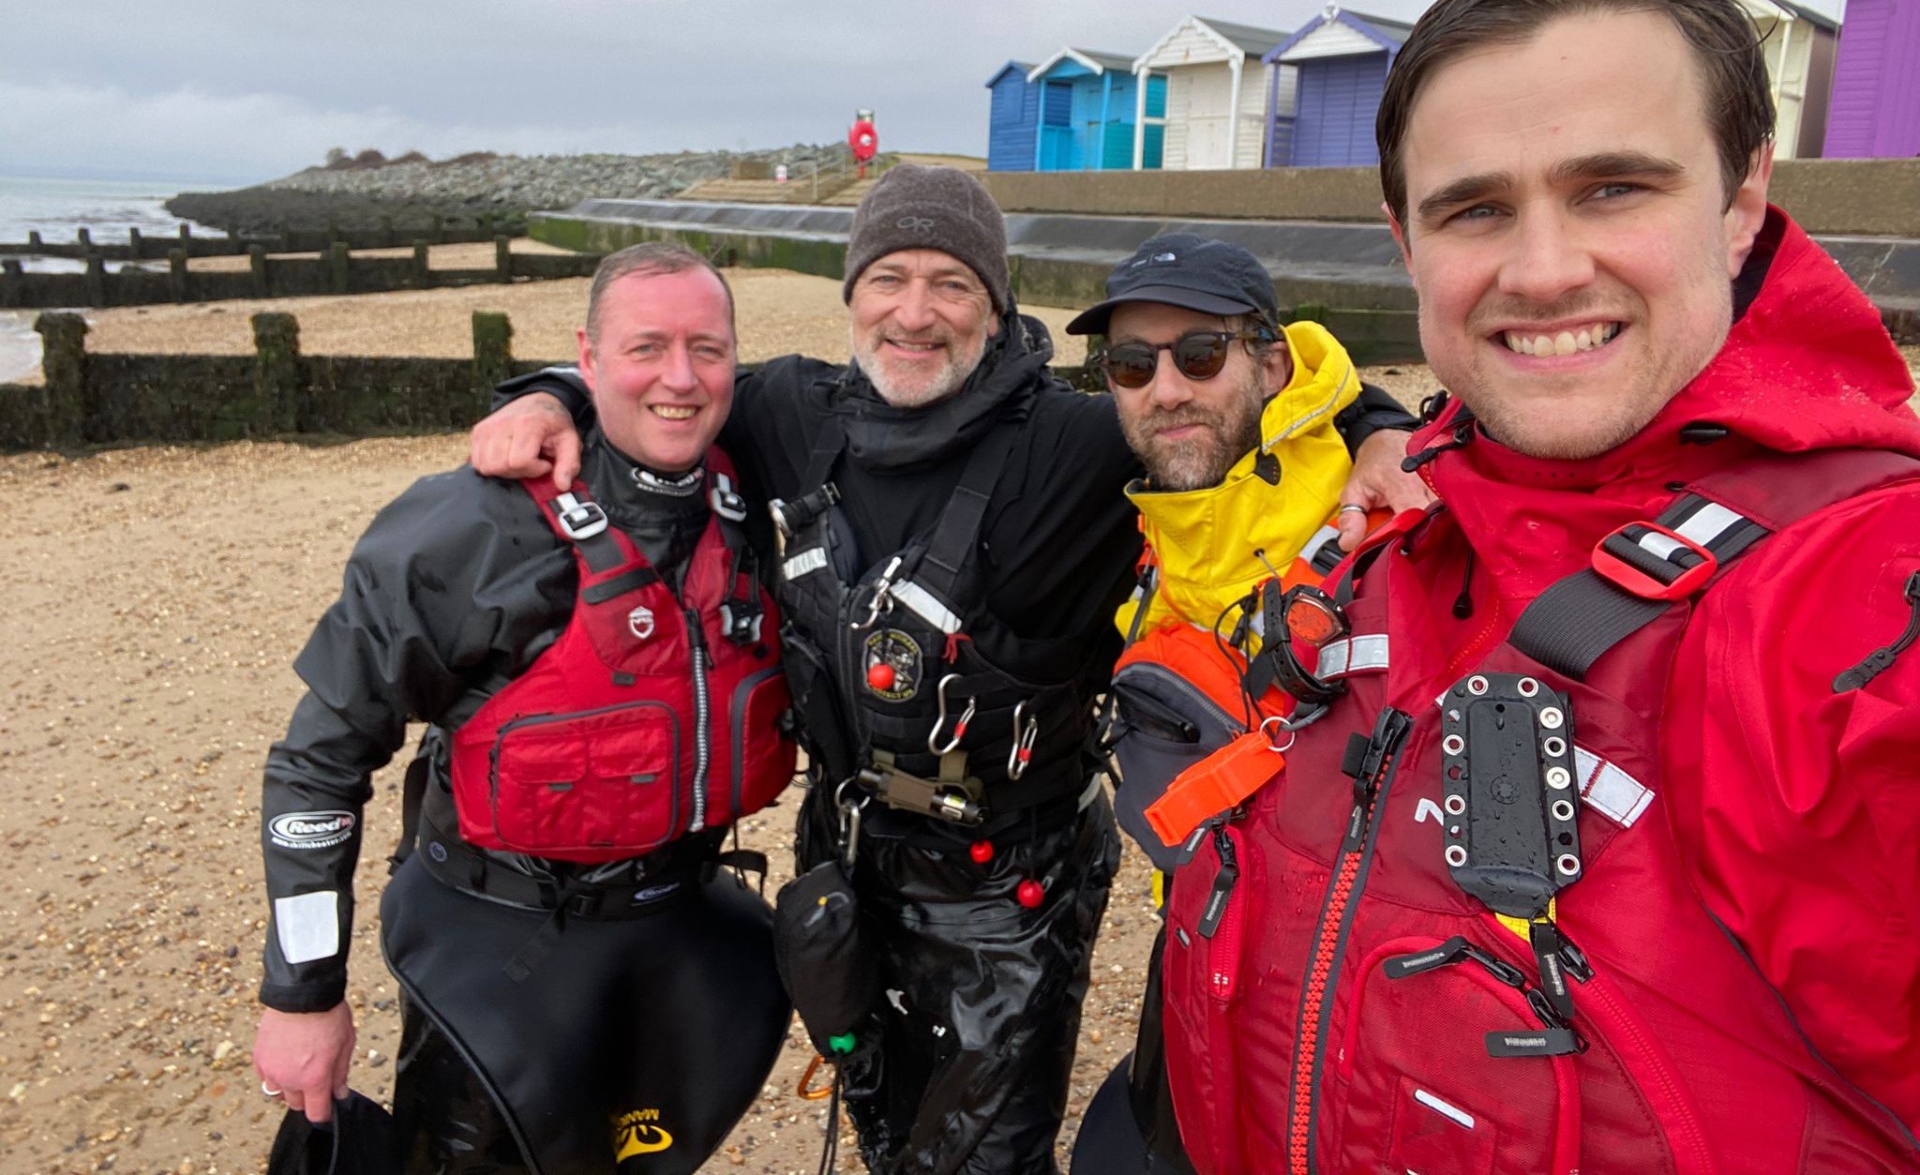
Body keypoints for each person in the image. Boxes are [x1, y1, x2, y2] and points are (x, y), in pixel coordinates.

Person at [1158, 0, 1920, 1173]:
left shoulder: (1855, 597)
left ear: (1741, 202)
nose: (1547, 268)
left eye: (1613, 186)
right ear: (1406, 244)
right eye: (1476, 210)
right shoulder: (1388, 554)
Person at [469, 163, 1425, 1174]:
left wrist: (1376, 424)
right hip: (842, 855)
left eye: (951, 284)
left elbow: (1238, 404)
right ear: (851, 297)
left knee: (978, 1163)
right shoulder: (791, 412)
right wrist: (548, 394)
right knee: (886, 1126)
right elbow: (666, 386)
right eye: (888, 278)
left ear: (996, 306)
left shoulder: (1087, 440)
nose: (914, 314)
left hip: (1009, 889)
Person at [253, 243, 796, 1174]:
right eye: (646, 348)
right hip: (496, 945)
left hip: (677, 931)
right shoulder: (463, 533)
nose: (681, 377)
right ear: (588, 358)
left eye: (708, 349)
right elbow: (317, 765)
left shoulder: (760, 492)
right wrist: (302, 995)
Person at [1058, 233, 1391, 1175]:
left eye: (1200, 354)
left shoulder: (1392, 520)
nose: (1166, 390)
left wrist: (1382, 425)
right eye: (1130, 364)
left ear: (1270, 359)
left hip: (1351, 999)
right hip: (1200, 948)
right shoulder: (1148, 514)